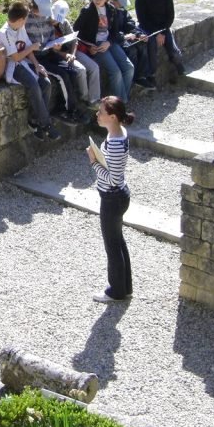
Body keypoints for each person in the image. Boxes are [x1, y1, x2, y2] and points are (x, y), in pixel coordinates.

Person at [86, 96, 135, 303]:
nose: (97, 115)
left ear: (112, 117)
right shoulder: (119, 133)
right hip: (119, 197)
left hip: (112, 198)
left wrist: (94, 162)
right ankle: (124, 286)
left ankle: (115, 291)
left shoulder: (115, 142)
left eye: (101, 113)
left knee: (112, 246)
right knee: (118, 242)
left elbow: (113, 179)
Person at [0, 1, 62, 141]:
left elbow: (27, 47)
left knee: (46, 83)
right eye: (26, 18)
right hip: (12, 66)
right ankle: (47, 125)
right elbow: (15, 57)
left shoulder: (19, 27)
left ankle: (34, 121)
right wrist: (31, 48)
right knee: (33, 84)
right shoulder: (4, 33)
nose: (26, 20)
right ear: (21, 19)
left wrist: (37, 65)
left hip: (23, 63)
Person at [25, 0, 87, 122]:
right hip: (36, 57)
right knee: (62, 75)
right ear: (33, 7)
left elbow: (51, 34)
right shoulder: (25, 19)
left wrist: (55, 44)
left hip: (49, 52)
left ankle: (69, 107)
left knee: (72, 71)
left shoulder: (47, 16)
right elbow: (24, 43)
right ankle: (68, 111)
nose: (44, 15)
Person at [73, 0, 135, 103]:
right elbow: (76, 32)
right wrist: (89, 46)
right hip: (96, 46)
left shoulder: (111, 10)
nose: (96, 0)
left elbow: (115, 32)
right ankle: (120, 106)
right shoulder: (87, 11)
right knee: (115, 72)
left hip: (108, 43)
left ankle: (121, 102)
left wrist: (109, 43)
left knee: (129, 68)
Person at [134, 0, 184, 83]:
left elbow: (170, 15)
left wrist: (162, 32)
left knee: (173, 50)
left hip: (163, 27)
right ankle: (151, 74)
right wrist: (156, 34)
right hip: (148, 28)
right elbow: (142, 19)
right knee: (152, 47)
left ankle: (177, 62)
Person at [52, 0, 101, 109]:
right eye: (55, 18)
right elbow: (50, 49)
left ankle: (94, 98)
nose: (56, 21)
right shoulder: (46, 25)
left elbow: (74, 40)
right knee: (81, 70)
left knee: (94, 67)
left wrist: (73, 54)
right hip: (59, 55)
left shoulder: (64, 22)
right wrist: (65, 55)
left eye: (58, 19)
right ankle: (85, 99)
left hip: (71, 52)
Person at [108, 0, 155, 90]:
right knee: (131, 50)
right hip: (116, 40)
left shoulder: (122, 11)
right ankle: (133, 77)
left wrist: (138, 35)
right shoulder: (108, 11)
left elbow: (129, 24)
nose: (122, 6)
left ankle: (141, 76)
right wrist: (124, 36)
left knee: (142, 45)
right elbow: (111, 31)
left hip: (126, 37)